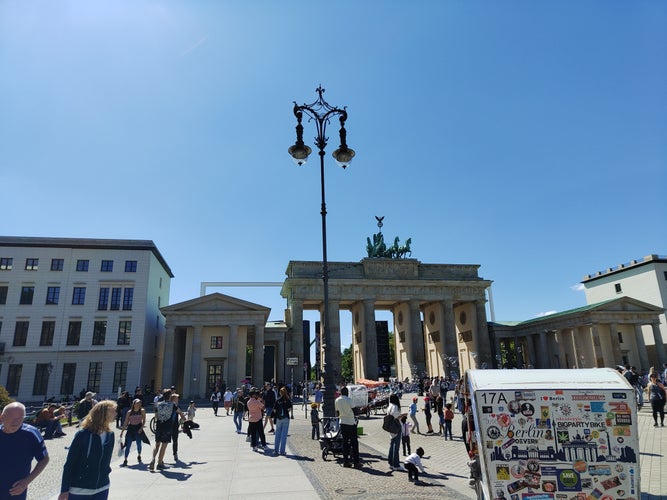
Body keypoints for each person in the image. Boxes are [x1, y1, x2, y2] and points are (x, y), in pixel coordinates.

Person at [59, 400, 117, 499]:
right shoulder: (83, 434)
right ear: (103, 413)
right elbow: (70, 463)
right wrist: (64, 489)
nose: (116, 413)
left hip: (102, 487)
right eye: (113, 411)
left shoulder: (110, 435)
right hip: (80, 488)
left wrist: (106, 472)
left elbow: (107, 460)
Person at [0, 402, 50, 500]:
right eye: (11, 417)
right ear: (2, 417)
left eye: (20, 418)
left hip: (15, 489)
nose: (16, 422)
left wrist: (26, 481)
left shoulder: (31, 434)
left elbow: (44, 459)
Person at [149, 389, 185, 470]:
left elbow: (156, 415)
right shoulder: (173, 405)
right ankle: (159, 463)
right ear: (169, 396)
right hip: (167, 427)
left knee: (157, 444)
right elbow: (179, 412)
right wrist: (184, 419)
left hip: (159, 426)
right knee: (164, 445)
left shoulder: (158, 404)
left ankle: (153, 459)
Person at [335, 386, 361, 468]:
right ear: (347, 392)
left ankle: (346, 462)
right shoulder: (349, 400)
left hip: (342, 422)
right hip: (351, 423)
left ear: (341, 392)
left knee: (345, 443)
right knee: (354, 443)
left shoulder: (337, 400)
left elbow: (337, 413)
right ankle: (356, 462)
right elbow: (355, 411)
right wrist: (359, 410)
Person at [119, 399, 146, 466]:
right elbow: (126, 422)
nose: (138, 404)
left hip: (138, 428)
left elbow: (144, 420)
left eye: (139, 403)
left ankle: (139, 455)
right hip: (131, 429)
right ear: (133, 404)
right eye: (136, 403)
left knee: (138, 444)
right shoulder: (129, 412)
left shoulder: (142, 411)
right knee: (128, 445)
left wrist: (141, 428)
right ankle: (125, 459)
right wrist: (122, 431)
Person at [272, 386, 292, 456]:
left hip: (278, 418)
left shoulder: (278, 400)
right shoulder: (288, 400)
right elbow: (289, 409)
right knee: (284, 435)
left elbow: (274, 410)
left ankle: (276, 450)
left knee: (277, 434)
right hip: (286, 418)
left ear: (280, 393)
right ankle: (282, 451)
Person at [386, 393, 404, 471]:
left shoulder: (389, 406)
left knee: (392, 444)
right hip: (396, 426)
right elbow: (396, 417)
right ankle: (396, 464)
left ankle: (390, 463)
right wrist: (403, 415)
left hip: (390, 427)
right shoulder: (395, 406)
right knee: (396, 446)